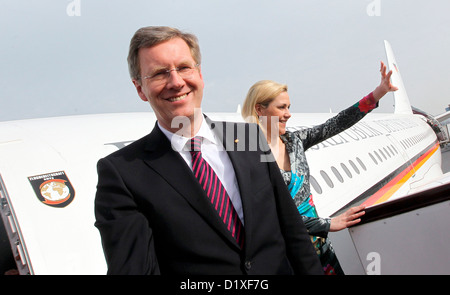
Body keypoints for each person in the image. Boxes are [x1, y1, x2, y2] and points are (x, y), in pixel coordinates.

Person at [94, 26, 323, 275]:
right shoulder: (122, 174)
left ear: (199, 74)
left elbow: (292, 231)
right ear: (140, 89)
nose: (176, 82)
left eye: (183, 67)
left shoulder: (249, 137)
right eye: (159, 73)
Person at [241, 63, 397, 274]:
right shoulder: (249, 158)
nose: (288, 114)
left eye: (289, 107)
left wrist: (378, 93)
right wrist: (327, 223)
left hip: (320, 246)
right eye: (281, 107)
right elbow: (274, 216)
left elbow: (336, 124)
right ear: (259, 109)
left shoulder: (294, 141)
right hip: (289, 255)